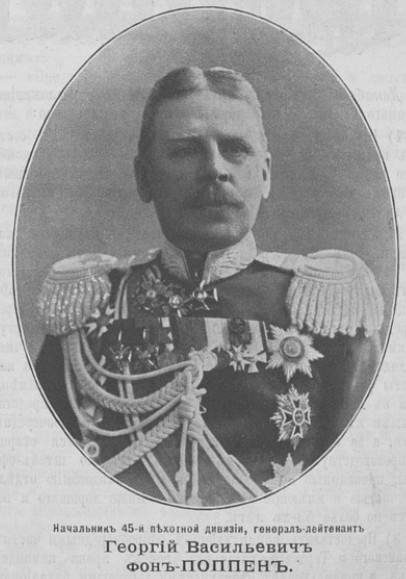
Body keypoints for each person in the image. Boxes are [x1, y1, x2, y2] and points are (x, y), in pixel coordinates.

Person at [35, 66, 384, 507]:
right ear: (144, 177)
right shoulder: (89, 308)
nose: (215, 169)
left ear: (265, 174)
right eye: (185, 151)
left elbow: (357, 488)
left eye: (235, 149)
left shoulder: (327, 308)